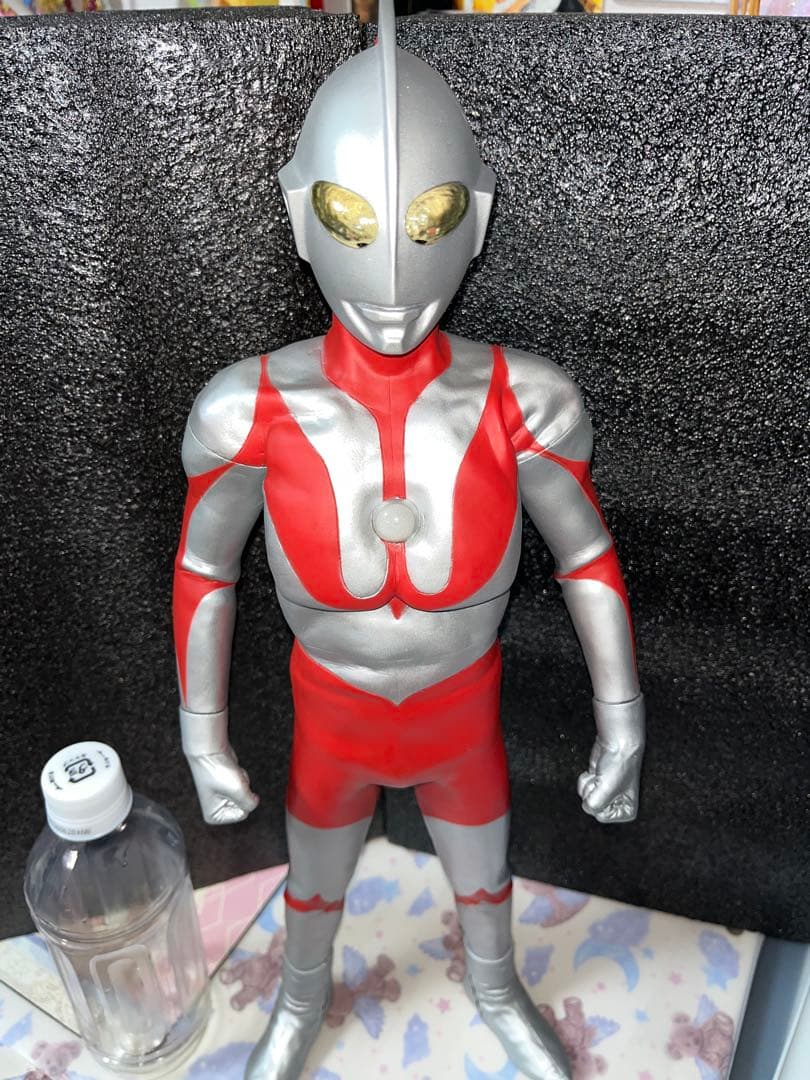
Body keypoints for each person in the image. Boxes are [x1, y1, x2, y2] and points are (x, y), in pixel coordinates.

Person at [173, 6, 644, 1078]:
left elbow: (586, 557)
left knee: (485, 881)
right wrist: (201, 738)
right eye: (350, 219)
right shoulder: (246, 409)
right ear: (300, 214)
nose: (390, 284)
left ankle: (494, 986)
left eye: (431, 218)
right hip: (331, 718)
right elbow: (204, 568)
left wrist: (622, 719)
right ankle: (299, 1000)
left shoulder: (525, 399)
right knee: (313, 885)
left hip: (458, 715)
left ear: (477, 216)